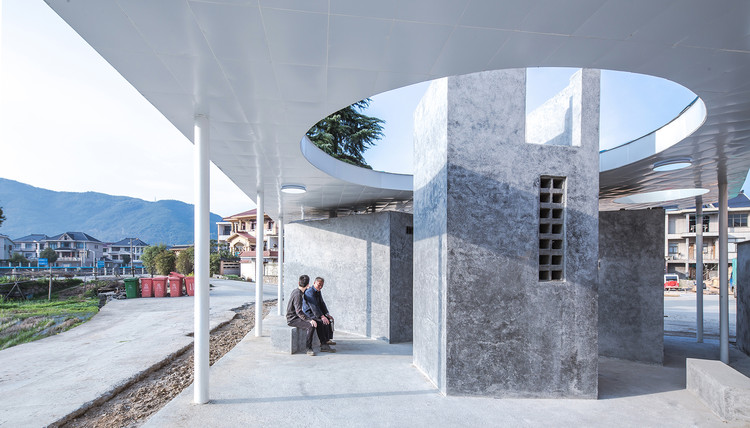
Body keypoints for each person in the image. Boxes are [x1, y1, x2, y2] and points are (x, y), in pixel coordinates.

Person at [286, 274, 317, 356]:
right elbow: (299, 311)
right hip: (292, 319)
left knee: (315, 320)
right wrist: (309, 320)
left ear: (298, 282)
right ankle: (308, 348)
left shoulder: (296, 291)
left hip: (295, 316)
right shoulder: (298, 295)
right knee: (311, 325)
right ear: (307, 285)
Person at [303, 276, 336, 352]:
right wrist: (321, 316)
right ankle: (323, 344)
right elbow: (313, 306)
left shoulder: (318, 291)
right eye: (319, 285)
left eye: (322, 285)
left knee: (329, 320)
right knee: (321, 322)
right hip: (309, 313)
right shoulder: (309, 292)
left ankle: (327, 339)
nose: (320, 287)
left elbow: (322, 303)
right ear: (314, 283)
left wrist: (326, 314)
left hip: (315, 312)